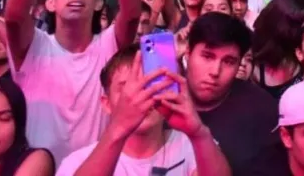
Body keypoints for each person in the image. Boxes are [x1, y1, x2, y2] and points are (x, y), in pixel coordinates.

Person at [4, 0, 141, 165]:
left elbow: (132, 15)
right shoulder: (33, 46)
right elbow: (13, 16)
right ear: (50, 3)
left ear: (100, 3)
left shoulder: (110, 45)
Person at [56, 46, 229, 176]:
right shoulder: (77, 162)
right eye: (127, 89)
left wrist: (198, 133)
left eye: (150, 86)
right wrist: (118, 129)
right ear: (106, 104)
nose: (142, 97)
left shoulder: (192, 147)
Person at [184, 12, 278, 174]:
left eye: (228, 61)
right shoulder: (161, 101)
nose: (215, 71)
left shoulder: (261, 108)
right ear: (188, 53)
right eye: (207, 56)